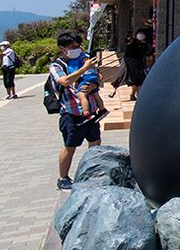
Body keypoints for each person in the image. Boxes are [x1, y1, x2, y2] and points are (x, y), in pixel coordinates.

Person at [50, 31, 102, 191]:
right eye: (72, 47)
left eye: (78, 46)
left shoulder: (83, 59)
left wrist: (94, 84)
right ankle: (63, 177)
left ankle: (92, 173)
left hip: (91, 111)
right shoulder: (57, 65)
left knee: (95, 143)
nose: (76, 49)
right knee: (70, 145)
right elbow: (64, 81)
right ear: (62, 48)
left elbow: (97, 77)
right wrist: (83, 69)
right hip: (71, 113)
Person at [110, 30, 149, 102]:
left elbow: (147, 53)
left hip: (137, 63)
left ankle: (133, 95)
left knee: (136, 79)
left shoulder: (144, 45)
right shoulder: (133, 42)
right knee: (121, 75)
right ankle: (114, 90)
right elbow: (128, 41)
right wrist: (129, 37)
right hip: (127, 61)